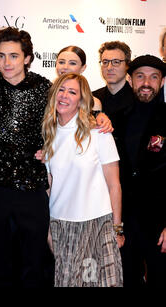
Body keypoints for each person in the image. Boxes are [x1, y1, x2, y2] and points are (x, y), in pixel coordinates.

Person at [0, 27, 51, 287]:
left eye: (14, 56)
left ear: (27, 58)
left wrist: (98, 111)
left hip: (32, 187)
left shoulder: (44, 87)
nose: (6, 62)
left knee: (33, 260)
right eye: (1, 56)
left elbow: (75, 107)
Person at [41, 72, 124, 287]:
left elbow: (114, 185)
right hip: (62, 224)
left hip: (98, 225)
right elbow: (50, 186)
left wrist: (117, 228)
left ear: (82, 99)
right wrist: (49, 229)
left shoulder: (98, 132)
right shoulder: (49, 134)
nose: (64, 96)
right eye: (61, 89)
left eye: (72, 92)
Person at [117, 55, 166, 287]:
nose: (146, 82)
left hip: (159, 224)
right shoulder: (115, 118)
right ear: (130, 79)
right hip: (124, 223)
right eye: (140, 76)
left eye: (153, 77)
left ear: (162, 81)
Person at [92, 41, 133, 131]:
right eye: (105, 62)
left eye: (116, 62)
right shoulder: (92, 98)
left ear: (127, 65)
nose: (109, 67)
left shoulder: (139, 99)